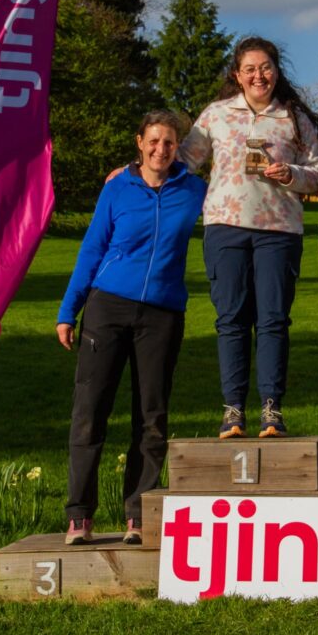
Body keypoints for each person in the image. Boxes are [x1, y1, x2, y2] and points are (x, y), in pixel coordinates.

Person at [56, 110, 207, 546]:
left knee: (152, 417)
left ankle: (138, 514)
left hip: (162, 315)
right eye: (154, 141)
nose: (161, 149)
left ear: (179, 147)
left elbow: (234, 198)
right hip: (107, 308)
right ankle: (79, 516)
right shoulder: (117, 188)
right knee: (90, 412)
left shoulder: (194, 190)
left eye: (170, 142)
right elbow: (92, 248)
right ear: (139, 142)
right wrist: (69, 310)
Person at [178, 36, 318, 439]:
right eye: (250, 69)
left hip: (279, 230)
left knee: (274, 321)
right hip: (225, 226)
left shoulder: (295, 118)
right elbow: (182, 161)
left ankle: (272, 411)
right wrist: (133, 170)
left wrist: (291, 174)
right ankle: (232, 412)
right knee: (231, 320)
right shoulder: (216, 114)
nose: (259, 75)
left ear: (276, 71)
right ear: (237, 75)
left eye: (266, 68)